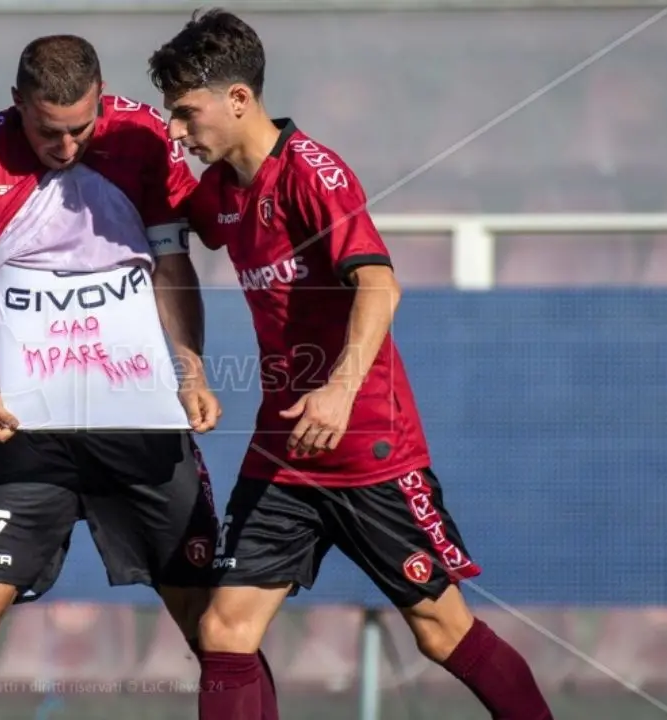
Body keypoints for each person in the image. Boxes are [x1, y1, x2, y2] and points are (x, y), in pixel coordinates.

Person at [148, 10, 555, 720]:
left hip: (367, 449)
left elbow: (379, 285)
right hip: (283, 450)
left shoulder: (313, 173)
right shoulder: (222, 190)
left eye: (186, 113)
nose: (178, 132)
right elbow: (167, 226)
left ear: (238, 99)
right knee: (224, 631)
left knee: (440, 630)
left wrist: (337, 393)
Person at [0, 34, 237, 720]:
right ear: (16, 103)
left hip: (138, 417)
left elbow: (172, 265)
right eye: (49, 131)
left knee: (218, 623)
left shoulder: (142, 137)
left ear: (101, 99)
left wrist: (191, 368)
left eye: (81, 128)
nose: (67, 146)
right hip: (27, 425)